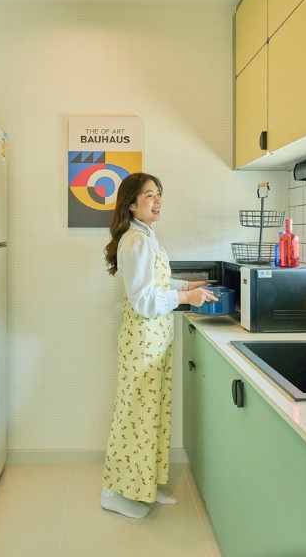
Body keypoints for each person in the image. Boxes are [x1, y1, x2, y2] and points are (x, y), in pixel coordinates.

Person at [100, 172, 216, 519]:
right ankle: (114, 492)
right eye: (149, 195)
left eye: (159, 193)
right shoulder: (135, 240)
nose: (157, 200)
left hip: (155, 338)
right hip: (142, 341)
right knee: (134, 414)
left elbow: (155, 282)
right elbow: (143, 300)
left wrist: (186, 285)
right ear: (131, 204)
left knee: (153, 414)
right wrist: (186, 298)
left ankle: (145, 485)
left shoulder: (146, 235)